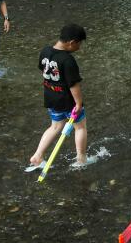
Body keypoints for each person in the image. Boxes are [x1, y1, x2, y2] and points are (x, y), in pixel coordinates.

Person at [29, 24, 91, 169]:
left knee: (55, 126)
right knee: (80, 128)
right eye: (79, 43)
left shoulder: (45, 51)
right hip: (69, 102)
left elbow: (43, 71)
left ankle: (37, 156)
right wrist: (79, 104)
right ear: (71, 42)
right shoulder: (68, 61)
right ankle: (81, 159)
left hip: (51, 98)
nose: (79, 47)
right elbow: (73, 85)